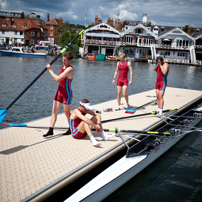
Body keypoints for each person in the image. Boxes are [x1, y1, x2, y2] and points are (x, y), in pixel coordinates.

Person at [43, 51, 74, 137]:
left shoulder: (70, 69)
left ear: (70, 60)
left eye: (65, 60)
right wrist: (55, 77)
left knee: (67, 113)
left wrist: (49, 70)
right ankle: (51, 130)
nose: (63, 61)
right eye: (63, 59)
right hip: (59, 92)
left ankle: (71, 129)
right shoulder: (63, 66)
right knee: (54, 111)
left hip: (66, 94)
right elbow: (58, 78)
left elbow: (57, 79)